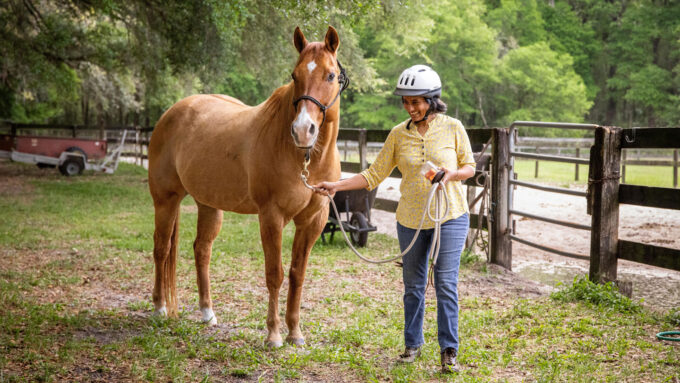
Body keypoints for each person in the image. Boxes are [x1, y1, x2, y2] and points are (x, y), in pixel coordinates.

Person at [313, 64, 476, 373]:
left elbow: (469, 167)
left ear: (431, 100)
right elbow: (373, 175)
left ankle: (448, 350)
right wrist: (336, 185)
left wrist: (451, 174)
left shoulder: (453, 127)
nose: (410, 107)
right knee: (413, 286)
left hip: (450, 216)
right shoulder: (398, 135)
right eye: (405, 101)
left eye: (416, 101)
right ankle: (413, 345)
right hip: (411, 219)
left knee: (444, 283)